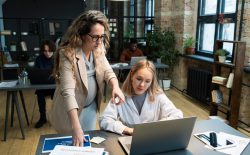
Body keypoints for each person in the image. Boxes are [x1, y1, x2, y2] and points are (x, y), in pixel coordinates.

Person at [48, 10, 125, 146]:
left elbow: (107, 70)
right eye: (95, 37)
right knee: (71, 144)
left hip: (90, 107)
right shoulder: (68, 53)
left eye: (102, 37)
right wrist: (76, 127)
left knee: (85, 144)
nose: (99, 41)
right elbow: (68, 92)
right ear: (82, 35)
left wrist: (115, 86)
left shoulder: (98, 48)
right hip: (70, 111)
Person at [99, 60, 183, 135]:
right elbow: (104, 120)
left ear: (152, 81)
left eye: (147, 81)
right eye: (139, 79)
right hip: (128, 139)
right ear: (132, 75)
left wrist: (157, 126)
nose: (142, 85)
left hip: (153, 138)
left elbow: (177, 115)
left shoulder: (159, 96)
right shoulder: (120, 96)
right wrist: (127, 130)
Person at [34, 40, 56, 128]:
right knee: (40, 95)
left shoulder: (57, 58)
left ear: (53, 50)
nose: (47, 53)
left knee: (59, 96)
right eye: (45, 51)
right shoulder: (39, 59)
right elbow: (36, 72)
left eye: (49, 51)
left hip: (54, 85)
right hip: (42, 85)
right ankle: (42, 118)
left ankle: (56, 118)